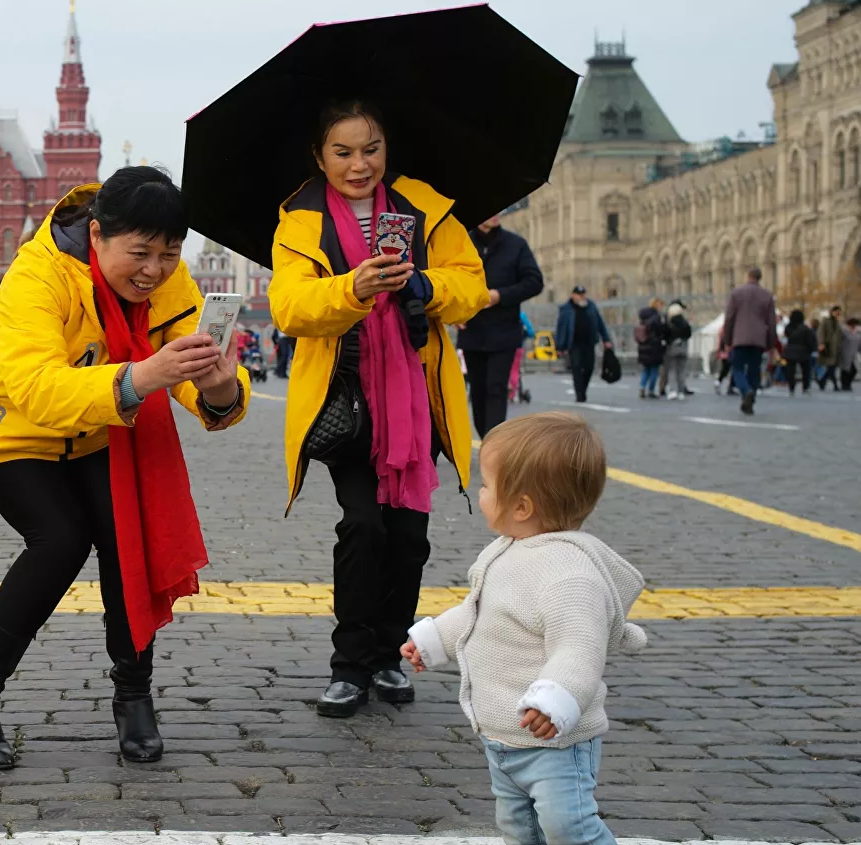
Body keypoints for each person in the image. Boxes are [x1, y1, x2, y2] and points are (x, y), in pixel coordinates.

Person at [0, 166, 249, 770]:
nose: (154, 270)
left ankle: (134, 696)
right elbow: (38, 391)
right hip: (3, 427)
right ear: (98, 233)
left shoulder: (166, 280)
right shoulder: (38, 274)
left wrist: (217, 388)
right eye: (140, 253)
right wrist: (145, 375)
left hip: (97, 424)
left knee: (124, 539)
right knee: (59, 541)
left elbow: (191, 375)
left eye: (168, 254)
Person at [268, 99, 489, 719]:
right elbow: (289, 307)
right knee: (362, 526)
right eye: (342, 152)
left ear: (387, 149)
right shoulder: (299, 220)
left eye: (370, 149)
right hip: (345, 398)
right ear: (320, 157)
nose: (358, 164)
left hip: (416, 400)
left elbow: (470, 286)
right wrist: (352, 288)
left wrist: (425, 285)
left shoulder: (426, 207)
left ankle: (390, 654)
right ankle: (349, 665)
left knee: (409, 536)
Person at [403, 412, 646, 845]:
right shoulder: (507, 551)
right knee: (519, 828)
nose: (480, 493)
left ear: (521, 506)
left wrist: (558, 697)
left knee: (569, 828)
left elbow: (579, 649)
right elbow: (479, 613)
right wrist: (434, 639)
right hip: (504, 737)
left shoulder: (569, 575)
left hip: (553, 742)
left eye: (486, 485)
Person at [458, 215, 543, 436]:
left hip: (504, 331)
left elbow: (534, 282)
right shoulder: (460, 242)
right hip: (472, 331)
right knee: (477, 391)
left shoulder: (516, 245)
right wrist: (453, 314)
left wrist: (500, 295)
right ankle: (486, 436)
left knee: (496, 388)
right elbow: (445, 280)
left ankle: (493, 443)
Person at [720, 267, 777, 416]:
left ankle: (746, 391)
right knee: (754, 370)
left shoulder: (736, 293)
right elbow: (771, 322)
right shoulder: (767, 295)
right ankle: (750, 401)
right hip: (759, 340)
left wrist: (727, 339)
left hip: (740, 338)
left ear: (748, 276)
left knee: (738, 368)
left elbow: (729, 318)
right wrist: (771, 342)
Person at [554, 286, 612, 403]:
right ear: (573, 295)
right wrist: (559, 346)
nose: (582, 297)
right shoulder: (566, 308)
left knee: (589, 367)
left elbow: (600, 323)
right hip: (574, 343)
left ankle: (583, 389)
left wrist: (606, 339)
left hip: (589, 342)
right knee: (576, 368)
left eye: (583, 294)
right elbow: (561, 328)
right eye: (579, 295)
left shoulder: (591, 306)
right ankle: (579, 394)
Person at [658, 301, 692, 399]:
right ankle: (681, 391)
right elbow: (689, 334)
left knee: (672, 370)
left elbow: (664, 334)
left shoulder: (669, 322)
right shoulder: (685, 322)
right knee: (681, 371)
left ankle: (673, 390)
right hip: (683, 348)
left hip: (672, 348)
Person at [634, 297, 667, 400]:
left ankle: (642, 388)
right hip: (654, 347)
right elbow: (661, 330)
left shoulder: (643, 317)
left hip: (643, 346)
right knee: (654, 370)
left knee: (646, 369)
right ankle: (651, 390)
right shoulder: (656, 317)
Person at [780, 309, 816, 396]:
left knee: (790, 371)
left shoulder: (788, 327)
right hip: (803, 352)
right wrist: (810, 350)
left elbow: (785, 338)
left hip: (790, 351)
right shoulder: (805, 329)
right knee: (805, 371)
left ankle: (791, 387)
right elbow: (810, 341)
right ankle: (805, 387)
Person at [815, 305, 844, 391]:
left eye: (839, 312)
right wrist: (821, 343)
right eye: (836, 311)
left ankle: (822, 381)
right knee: (830, 367)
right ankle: (834, 385)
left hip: (835, 349)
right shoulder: (826, 321)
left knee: (831, 367)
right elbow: (821, 332)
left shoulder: (837, 323)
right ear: (832, 312)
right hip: (827, 347)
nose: (838, 313)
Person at [839, 318, 861, 391]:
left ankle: (848, 383)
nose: (854, 326)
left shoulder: (858, 333)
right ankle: (845, 385)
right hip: (844, 353)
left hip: (853, 355)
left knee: (854, 370)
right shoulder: (844, 331)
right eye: (852, 325)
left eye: (855, 325)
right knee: (845, 371)